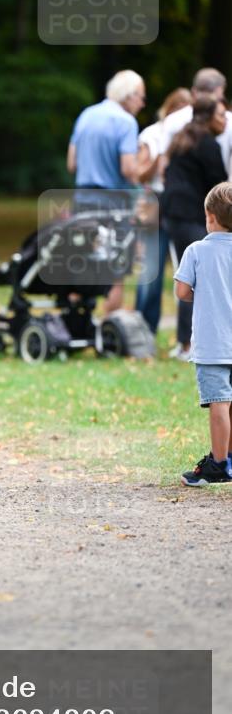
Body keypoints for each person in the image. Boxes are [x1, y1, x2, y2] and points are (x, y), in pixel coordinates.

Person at [66, 69, 143, 312]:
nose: (142, 103)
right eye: (141, 97)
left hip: (83, 199)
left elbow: (71, 163)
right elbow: (128, 168)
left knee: (83, 262)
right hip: (114, 203)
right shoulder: (126, 122)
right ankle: (109, 328)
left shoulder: (86, 115)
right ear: (129, 96)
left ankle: (74, 324)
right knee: (115, 268)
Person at [175, 182, 232, 486]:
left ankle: (219, 465)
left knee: (219, 403)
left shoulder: (196, 250)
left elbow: (183, 291)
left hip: (214, 344)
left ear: (210, 217)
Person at [163, 97, 228, 360]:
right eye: (221, 115)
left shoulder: (183, 137)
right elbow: (220, 189)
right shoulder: (208, 144)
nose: (224, 120)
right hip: (193, 214)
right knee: (197, 276)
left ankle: (183, 341)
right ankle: (190, 344)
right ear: (209, 117)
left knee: (187, 271)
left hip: (172, 212)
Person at [134, 88, 193, 333]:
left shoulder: (192, 137)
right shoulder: (153, 134)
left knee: (186, 268)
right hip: (155, 201)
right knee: (151, 270)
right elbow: (140, 173)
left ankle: (186, 333)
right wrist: (160, 156)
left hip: (181, 202)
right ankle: (144, 328)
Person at [159, 67, 232, 177]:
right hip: (216, 190)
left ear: (193, 91)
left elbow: (163, 162)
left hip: (178, 188)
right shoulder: (229, 119)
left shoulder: (173, 119)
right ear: (219, 91)